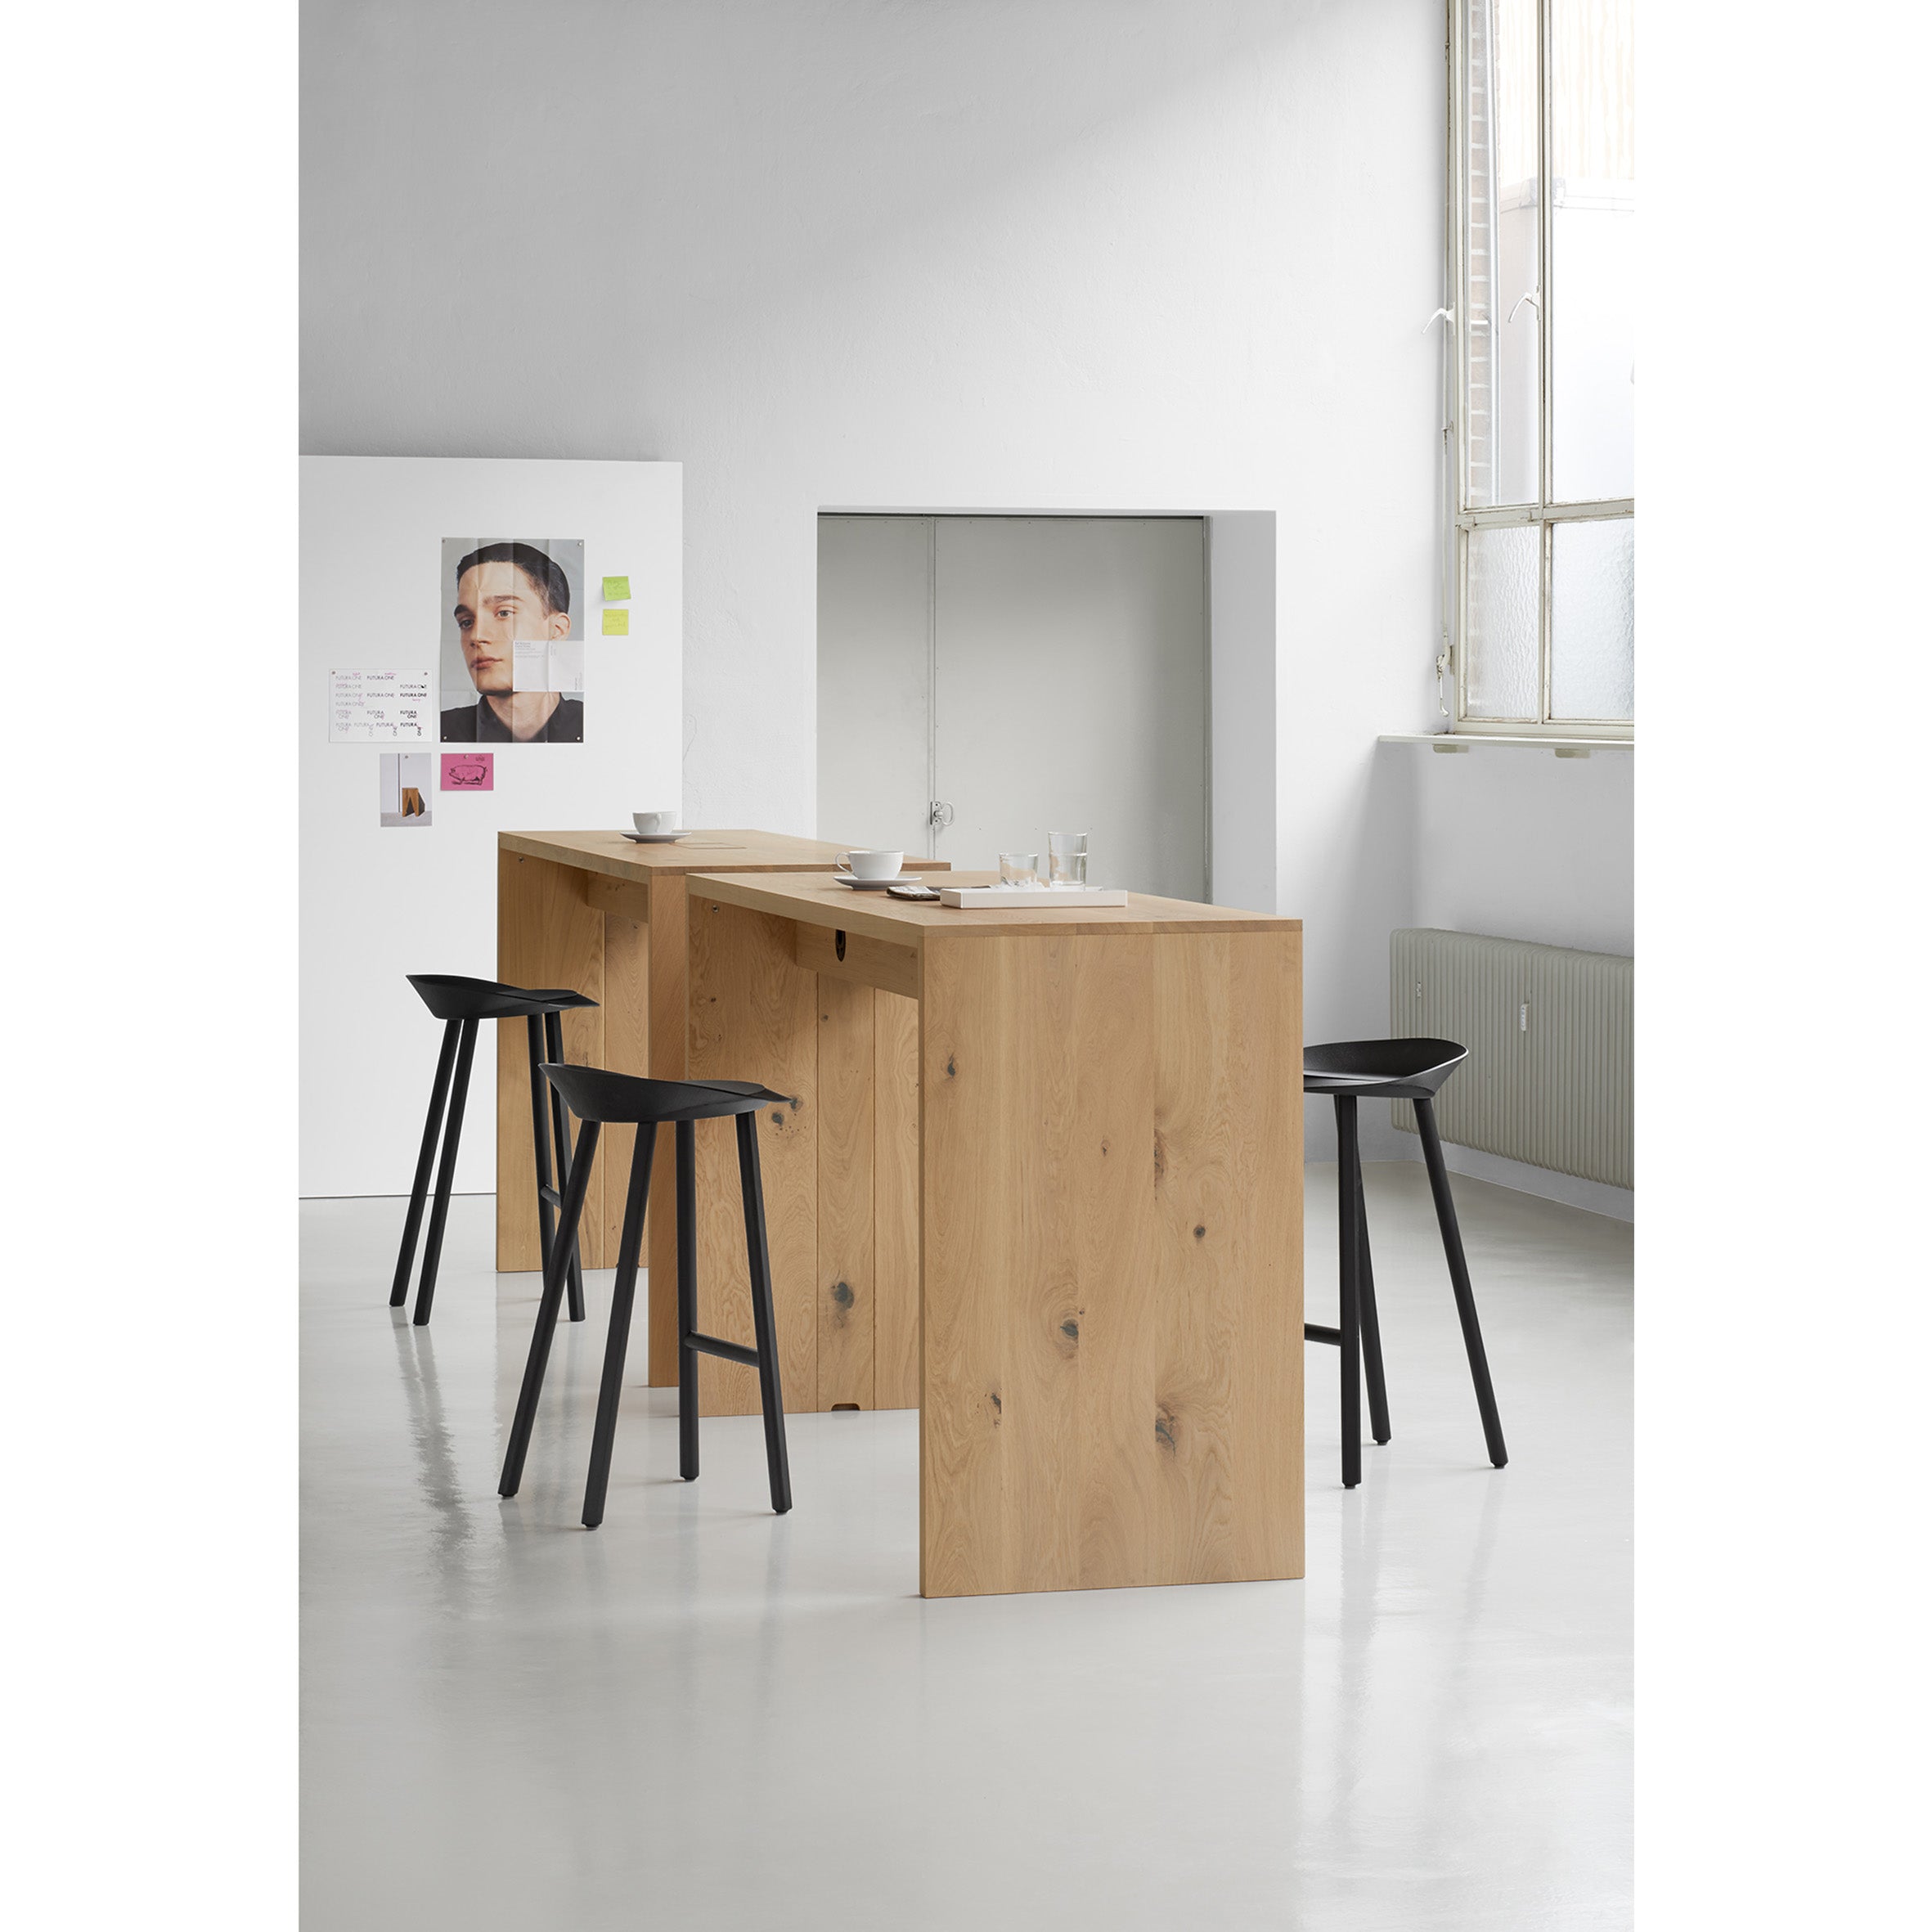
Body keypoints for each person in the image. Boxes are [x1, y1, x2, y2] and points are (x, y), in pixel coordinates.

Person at [440, 541, 585, 742]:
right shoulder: (441, 730)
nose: (476, 636)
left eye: (504, 613)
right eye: (466, 622)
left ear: (557, 629)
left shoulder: (596, 725)